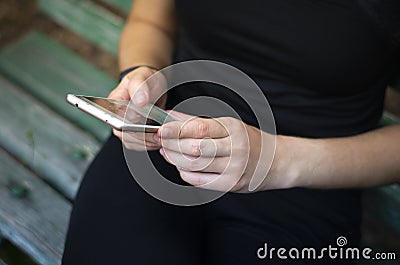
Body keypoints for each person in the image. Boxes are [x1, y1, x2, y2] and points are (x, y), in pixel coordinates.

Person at [62, 0, 400, 264]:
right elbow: (151, 22)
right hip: (165, 140)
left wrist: (276, 161)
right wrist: (143, 75)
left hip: (306, 180)